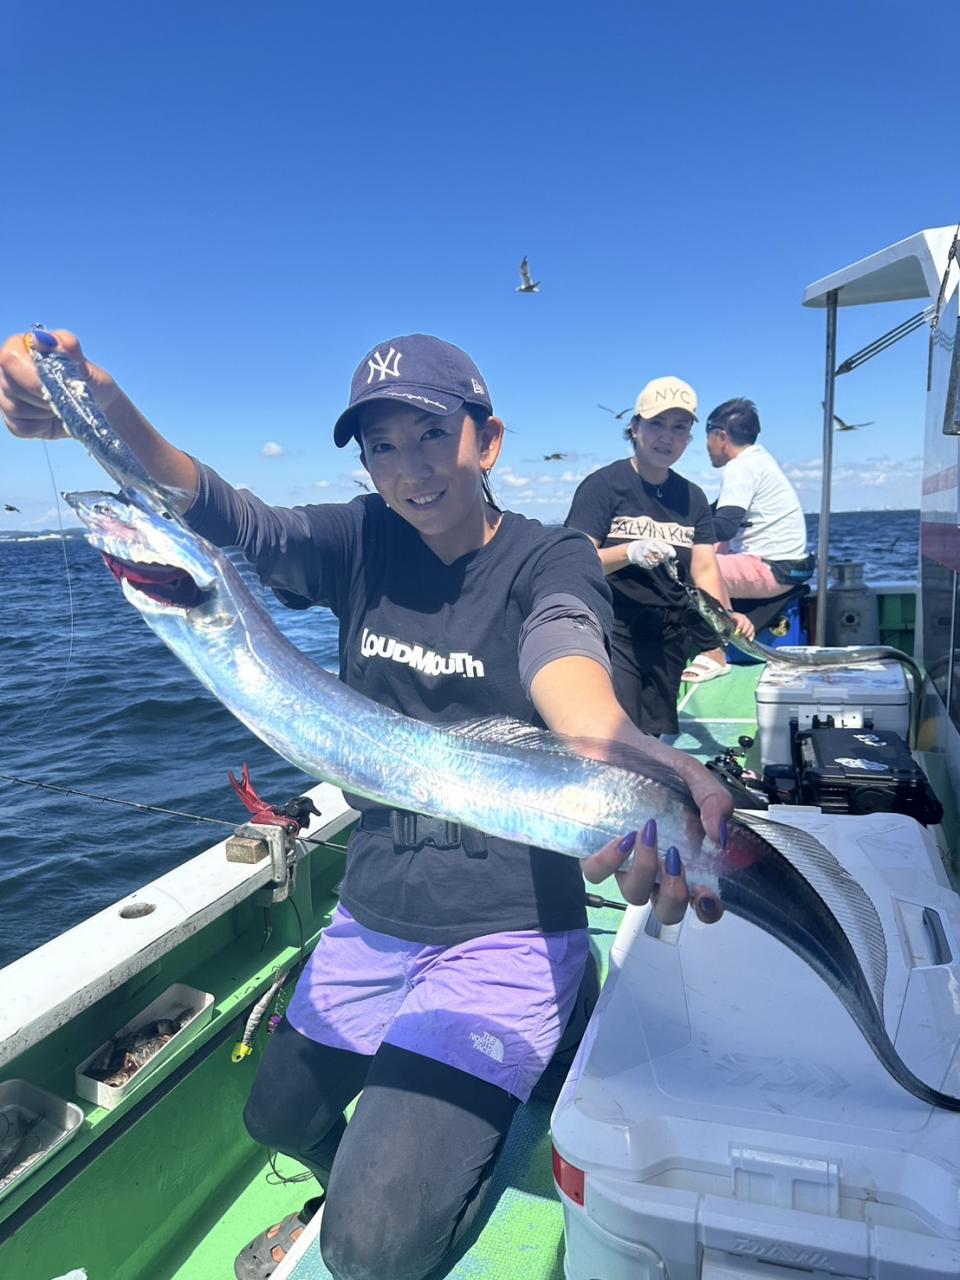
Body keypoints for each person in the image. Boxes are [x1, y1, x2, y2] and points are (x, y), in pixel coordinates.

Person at [0, 330, 731, 1280]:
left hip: (509, 920)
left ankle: (540, 1024)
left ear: (488, 441)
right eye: (381, 446)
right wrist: (97, 402)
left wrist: (612, 743)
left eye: (429, 435)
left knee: (371, 1252)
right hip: (378, 904)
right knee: (276, 1118)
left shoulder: (547, 558)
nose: (408, 468)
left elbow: (566, 651)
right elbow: (220, 509)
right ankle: (355, 1178)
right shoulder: (359, 541)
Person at [564, 376, 755, 737]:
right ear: (635, 427)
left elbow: (704, 569)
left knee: (652, 736)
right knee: (616, 736)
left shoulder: (693, 497)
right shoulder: (602, 486)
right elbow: (574, 562)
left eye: (679, 427)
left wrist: (726, 616)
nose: (667, 437)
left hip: (668, 637)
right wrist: (628, 552)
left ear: (689, 437)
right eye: (656, 424)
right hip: (613, 631)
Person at [683, 397, 812, 684]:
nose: (706, 446)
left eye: (707, 437)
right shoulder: (759, 459)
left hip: (773, 568)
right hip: (788, 566)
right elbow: (712, 514)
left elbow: (724, 526)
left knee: (694, 564)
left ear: (721, 436)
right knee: (707, 550)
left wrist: (676, 539)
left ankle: (716, 651)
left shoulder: (740, 467)